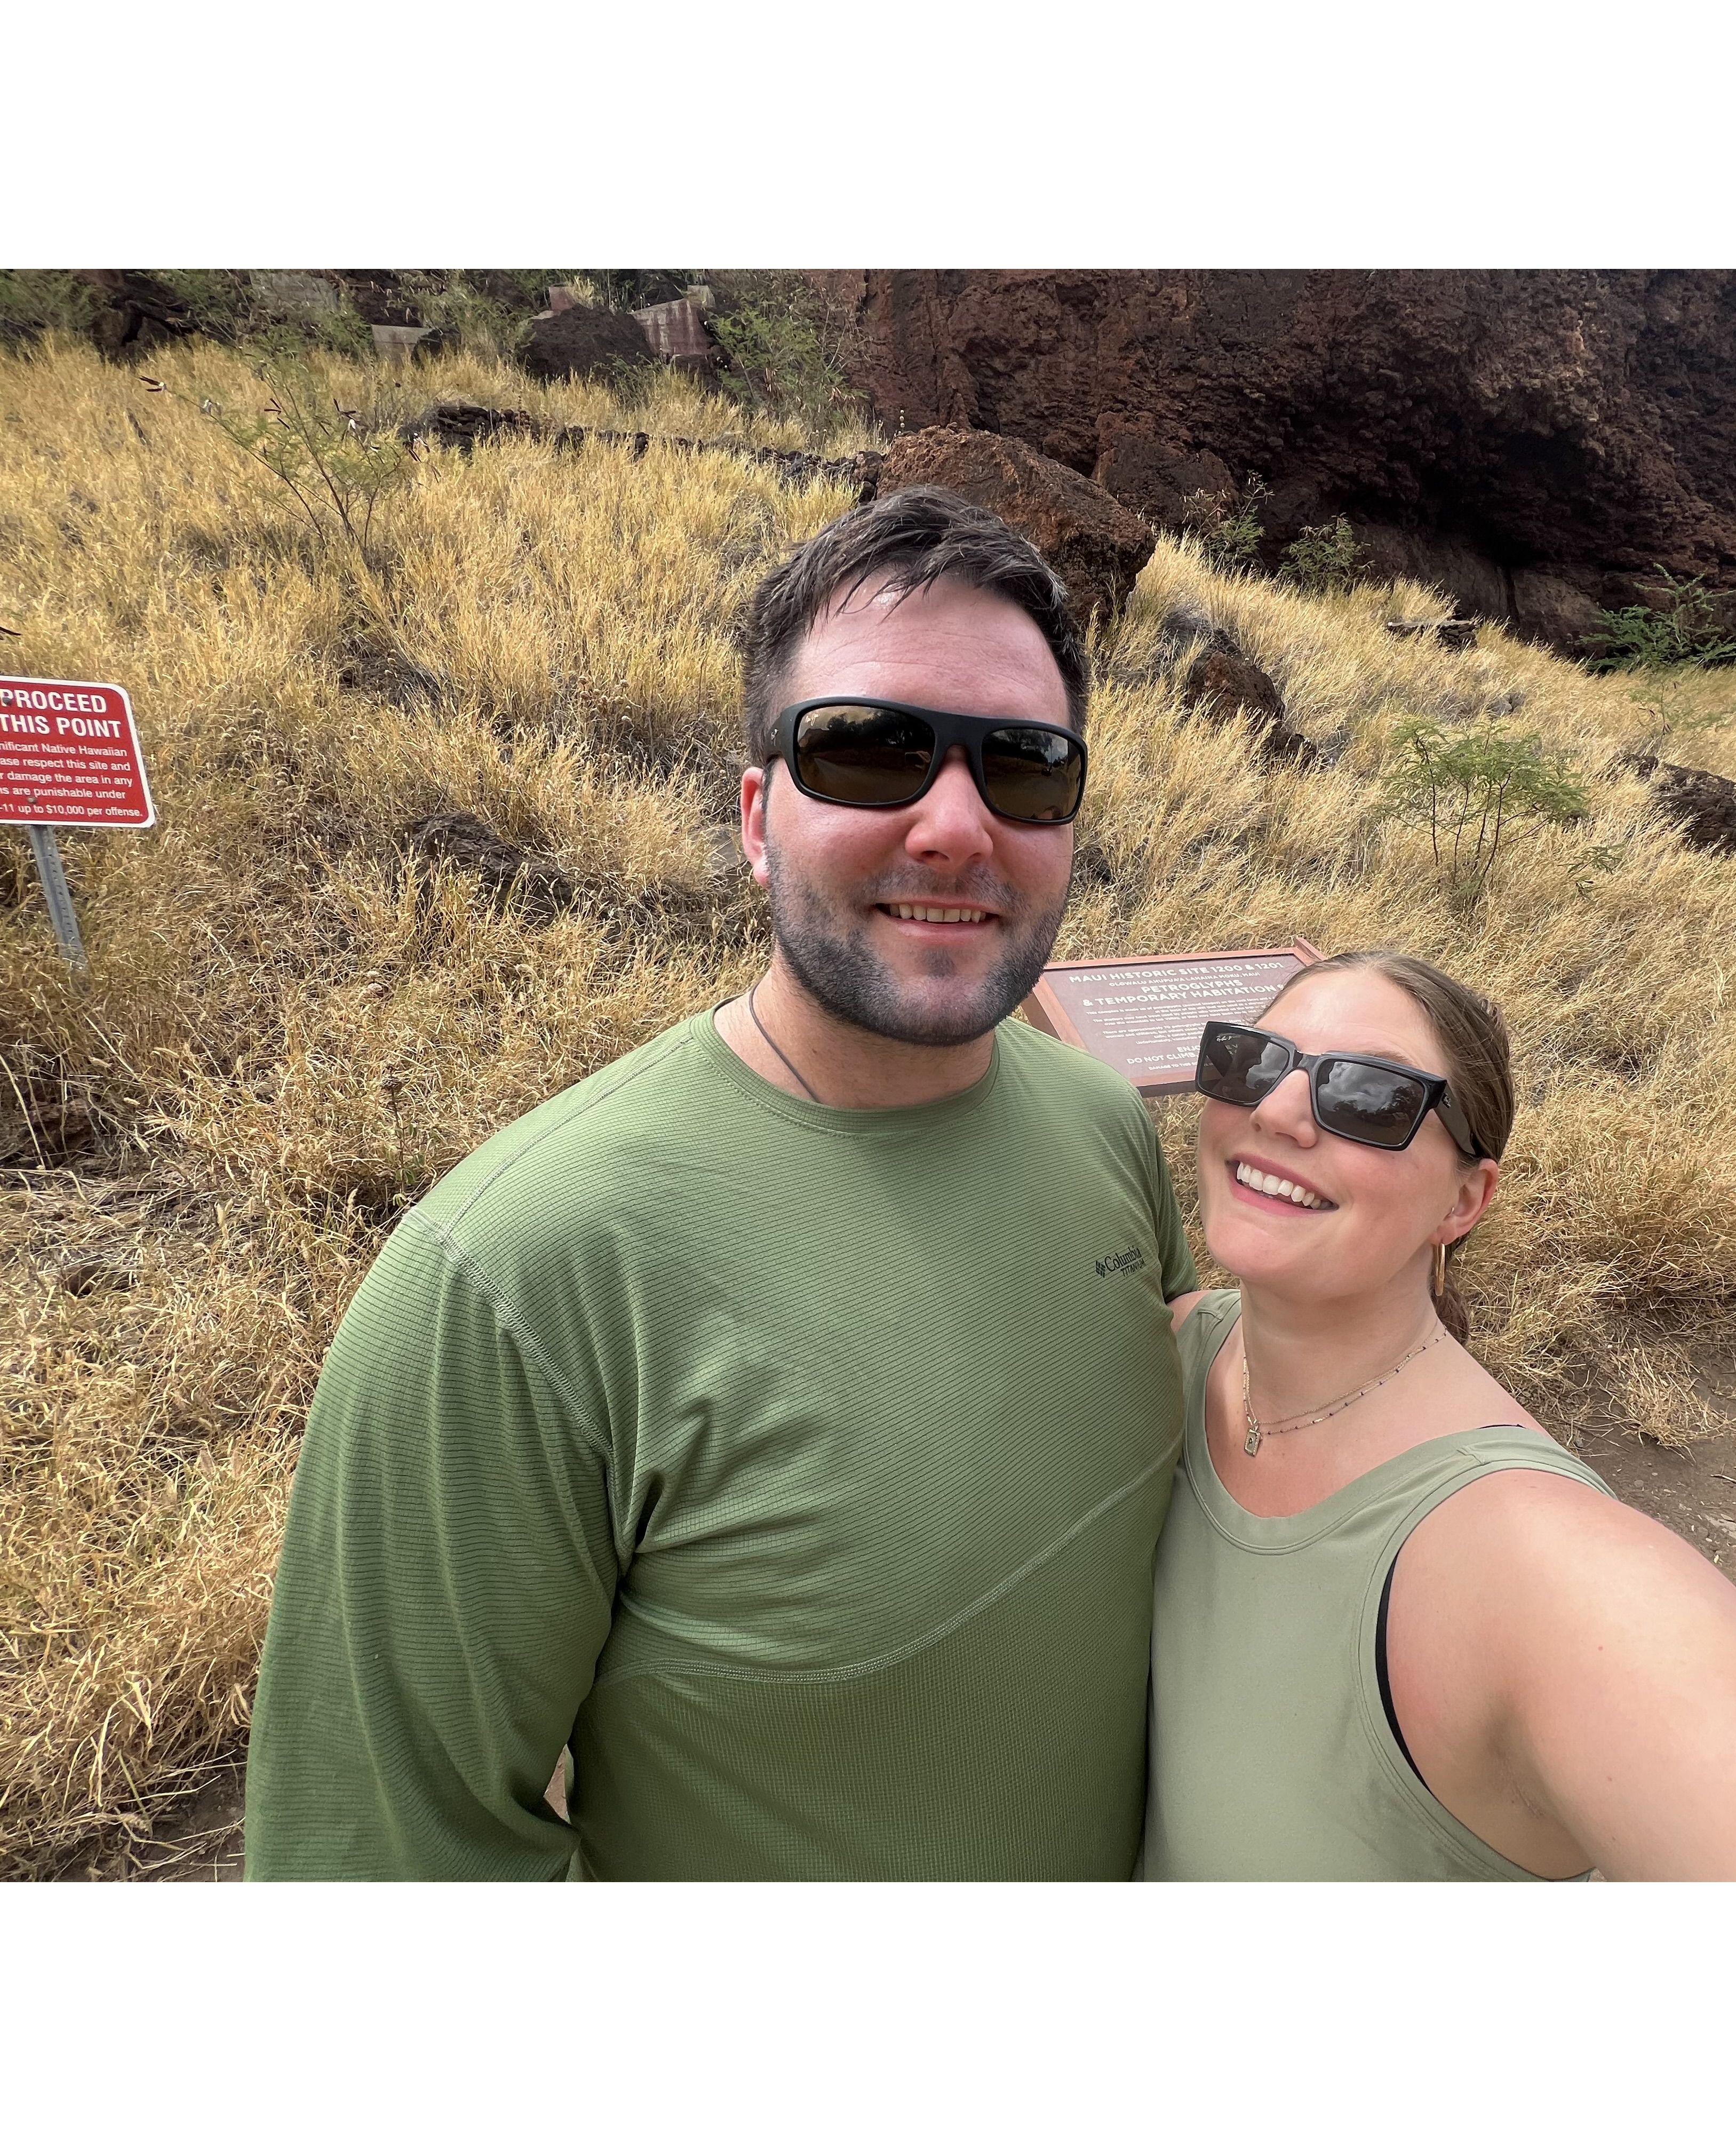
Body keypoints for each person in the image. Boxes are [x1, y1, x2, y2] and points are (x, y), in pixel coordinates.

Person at [244, 487, 1198, 1879]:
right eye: (870, 752)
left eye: (1025, 766)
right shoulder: (516, 1278)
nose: (954, 825)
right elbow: (380, 1864)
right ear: (757, 817)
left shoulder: (1107, 1128)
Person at [1141, 950, 1736, 1881]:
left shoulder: (1547, 1576)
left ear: (1466, 1201)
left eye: (1371, 1099)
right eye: (1251, 1061)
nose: (1277, 1111)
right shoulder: (1171, 1353)